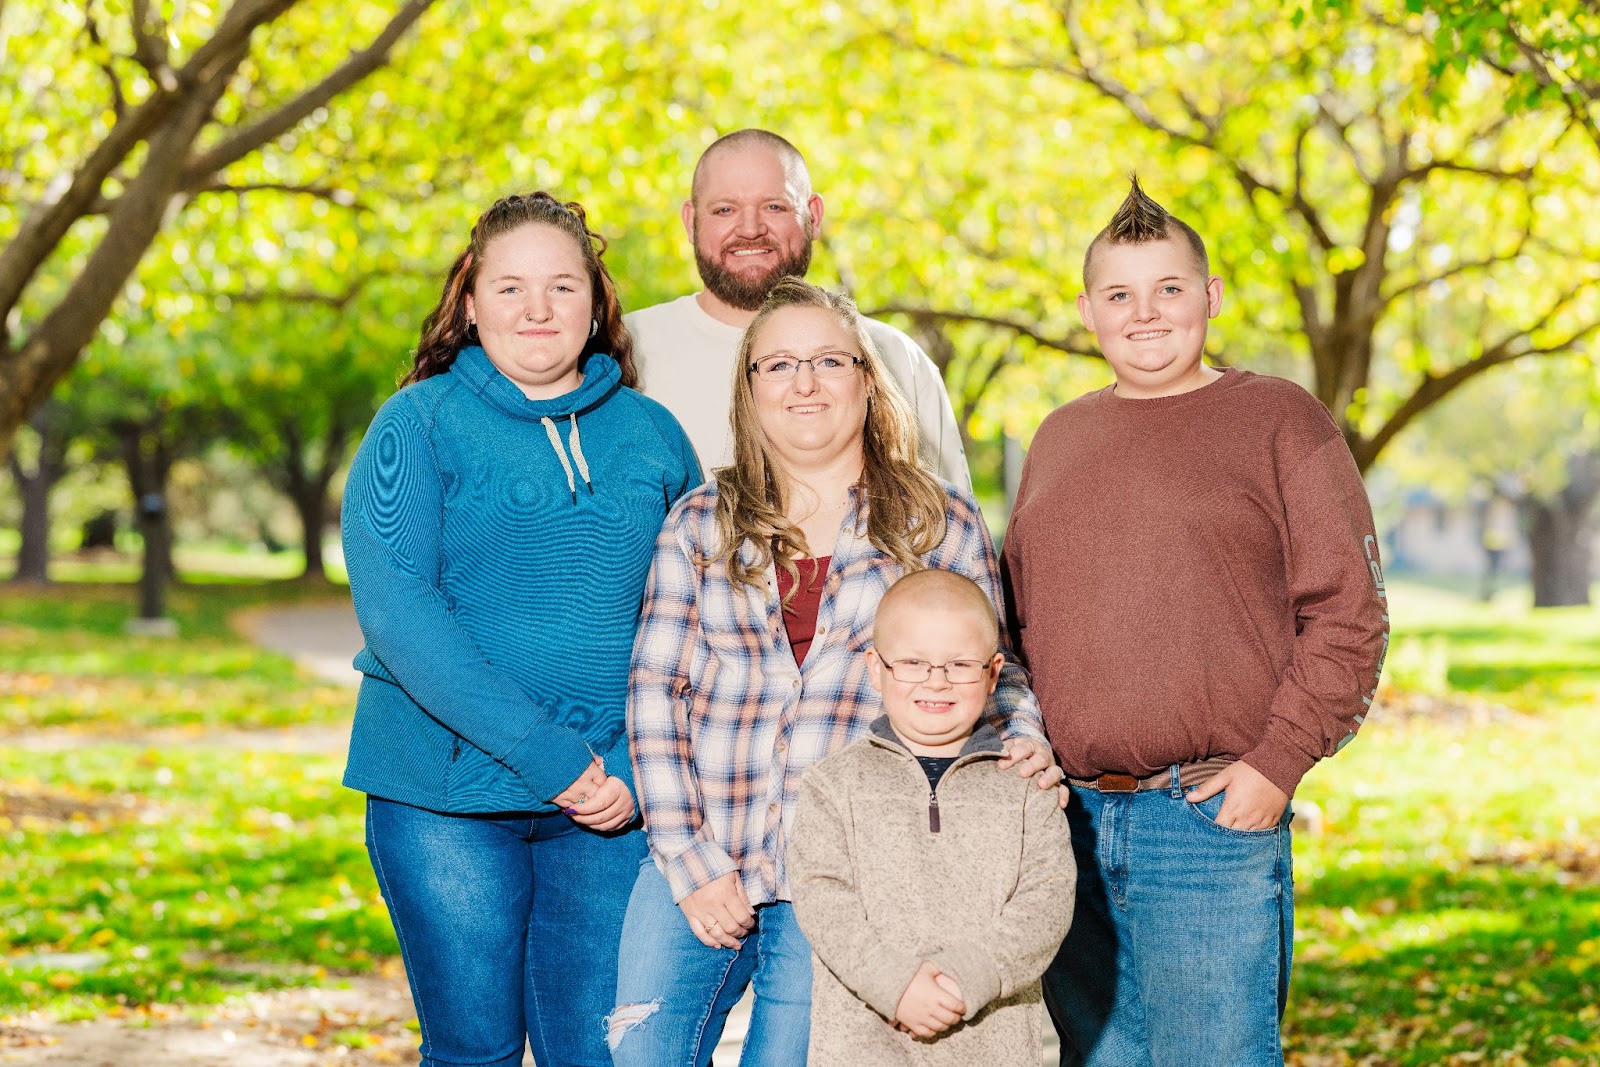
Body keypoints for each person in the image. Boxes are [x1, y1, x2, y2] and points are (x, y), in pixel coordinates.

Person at [607, 279, 1058, 1066]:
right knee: (639, 1052)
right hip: (710, 838)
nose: (804, 382)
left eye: (827, 361)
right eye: (778, 365)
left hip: (853, 870)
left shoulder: (937, 520)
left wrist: (1024, 737)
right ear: (749, 390)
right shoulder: (697, 524)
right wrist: (687, 857)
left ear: (866, 377)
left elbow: (996, 665)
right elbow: (655, 692)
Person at [1002, 178, 1390, 1067]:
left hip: (1209, 820)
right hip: (1068, 824)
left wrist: (1277, 763)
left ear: (1210, 297)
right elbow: (1014, 628)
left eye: (1169, 289)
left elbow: (1350, 614)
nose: (1146, 314)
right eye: (1120, 294)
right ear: (1086, 310)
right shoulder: (1058, 437)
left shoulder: (1281, 419)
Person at [340, 192, 700, 1067]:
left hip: (611, 807)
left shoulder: (653, 435)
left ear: (596, 302)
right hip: (444, 798)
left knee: (598, 1053)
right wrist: (554, 759)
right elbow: (399, 615)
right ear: (470, 303)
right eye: (510, 288)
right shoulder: (416, 424)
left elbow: (699, 620)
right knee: (475, 1054)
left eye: (561, 287)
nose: (537, 310)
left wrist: (625, 768)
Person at [789, 568, 1076, 1067]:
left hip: (992, 1045)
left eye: (960, 664)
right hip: (864, 1045)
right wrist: (895, 985)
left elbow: (1047, 901)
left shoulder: (1027, 787)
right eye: (914, 662)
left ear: (992, 674)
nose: (936, 681)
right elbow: (821, 898)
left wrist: (969, 979)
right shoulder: (832, 786)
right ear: (876, 668)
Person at [625, 128, 971, 486]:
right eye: (725, 209)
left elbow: (947, 520)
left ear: (813, 215)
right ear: (690, 221)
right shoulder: (625, 348)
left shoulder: (896, 357)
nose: (750, 229)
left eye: (774, 206)